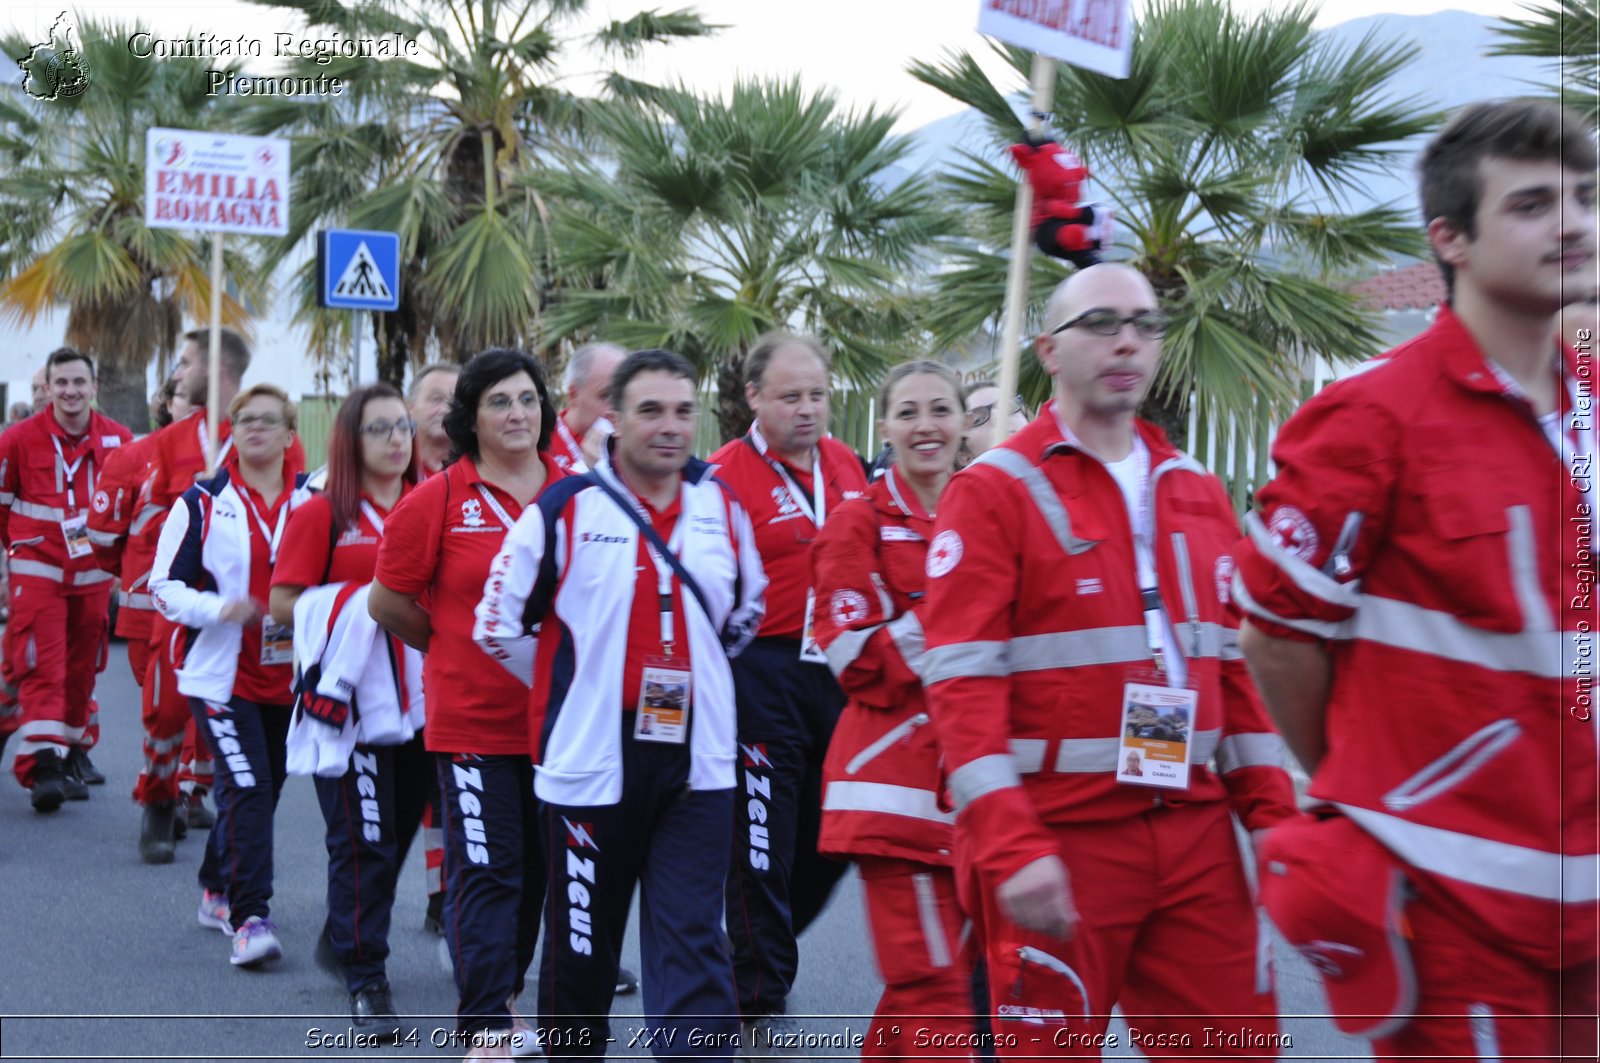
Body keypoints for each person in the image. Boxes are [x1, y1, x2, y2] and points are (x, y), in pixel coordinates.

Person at [1235, 100, 1598, 1060]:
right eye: (1530, 204)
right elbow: (1277, 634)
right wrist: (1368, 790)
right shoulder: (1370, 419)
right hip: (1455, 906)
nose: (1571, 222)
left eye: (1585, 197)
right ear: (1451, 240)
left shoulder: (1591, 407)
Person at [921, 264, 1297, 1054]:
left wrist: (1274, 819)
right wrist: (1012, 845)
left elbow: (1233, 671)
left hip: (1194, 826)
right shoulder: (993, 490)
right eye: (1101, 323)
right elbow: (961, 689)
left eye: (1144, 324)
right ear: (1048, 350)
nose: (1127, 339)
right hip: (1062, 834)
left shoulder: (1194, 487)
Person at [475, 348, 766, 1061]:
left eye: (682, 410)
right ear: (613, 417)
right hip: (590, 764)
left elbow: (747, 610)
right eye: (650, 410)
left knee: (695, 940)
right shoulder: (567, 506)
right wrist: (569, 687)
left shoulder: (720, 502)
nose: (669, 427)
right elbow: (496, 623)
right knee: (583, 954)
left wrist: (695, 674)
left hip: (698, 763)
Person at [370, 349, 564, 1058]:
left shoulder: (573, 494)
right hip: (473, 724)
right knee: (487, 868)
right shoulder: (438, 499)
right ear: (471, 418)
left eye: (528, 400)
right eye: (500, 402)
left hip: (557, 727)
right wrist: (451, 642)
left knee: (540, 876)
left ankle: (505, 998)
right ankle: (483, 1019)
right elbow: (387, 600)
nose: (518, 414)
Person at [810, 359, 979, 1058]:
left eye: (940, 409)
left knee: (936, 982)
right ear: (884, 428)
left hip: (971, 789)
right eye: (907, 412)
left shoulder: (988, 509)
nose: (925, 426)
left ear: (965, 422)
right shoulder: (856, 522)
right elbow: (857, 663)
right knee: (937, 987)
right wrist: (954, 606)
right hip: (893, 792)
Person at [93, 328, 301, 868]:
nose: (178, 373)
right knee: (164, 714)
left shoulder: (273, 436)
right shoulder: (169, 442)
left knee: (237, 721)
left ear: (216, 369)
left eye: (185, 363)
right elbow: (157, 530)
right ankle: (158, 800)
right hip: (187, 608)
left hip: (251, 614)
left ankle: (206, 807)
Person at [708, 332, 869, 1026]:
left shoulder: (847, 466)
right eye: (790, 396)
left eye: (818, 395)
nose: (808, 409)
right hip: (759, 671)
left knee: (835, 838)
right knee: (761, 844)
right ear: (753, 397)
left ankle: (753, 944)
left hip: (836, 671)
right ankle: (758, 997)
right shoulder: (721, 475)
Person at [271, 384, 424, 1033]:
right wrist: (355, 606)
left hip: (423, 706)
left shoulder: (431, 502)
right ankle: (367, 974)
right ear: (350, 440)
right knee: (363, 841)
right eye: (379, 428)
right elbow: (284, 601)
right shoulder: (320, 512)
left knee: (397, 836)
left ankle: (344, 937)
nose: (396, 438)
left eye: (404, 425)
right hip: (350, 705)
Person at [149, 384, 314, 968]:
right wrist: (218, 607)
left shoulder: (314, 500)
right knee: (247, 788)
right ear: (232, 431)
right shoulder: (200, 502)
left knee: (260, 793)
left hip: (288, 679)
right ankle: (250, 918)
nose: (256, 428)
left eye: (270, 420)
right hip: (220, 679)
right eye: (245, 419)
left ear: (291, 435)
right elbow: (162, 586)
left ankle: (217, 885)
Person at [0, 347, 131, 811]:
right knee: (43, 664)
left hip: (93, 573)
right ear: (48, 388)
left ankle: (67, 748)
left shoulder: (120, 440)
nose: (71, 391)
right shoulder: (17, 439)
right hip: (37, 569)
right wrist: (14, 558)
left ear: (94, 388)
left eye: (79, 383)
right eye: (62, 383)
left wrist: (121, 569)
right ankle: (44, 769)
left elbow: (128, 511)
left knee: (82, 670)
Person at [405, 361, 459, 934]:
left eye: (455, 397)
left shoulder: (481, 473)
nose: (445, 407)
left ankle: (443, 897)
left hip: (458, 669)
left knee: (448, 797)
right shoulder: (391, 474)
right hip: (396, 663)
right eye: (434, 397)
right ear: (411, 407)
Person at [553, 342, 625, 473]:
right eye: (606, 396)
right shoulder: (537, 445)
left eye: (624, 398)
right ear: (573, 395)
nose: (617, 410)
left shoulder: (632, 444)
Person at [410, 363, 460, 480]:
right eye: (436, 399)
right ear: (410, 407)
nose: (446, 409)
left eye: (456, 401)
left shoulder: (483, 468)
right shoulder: (391, 470)